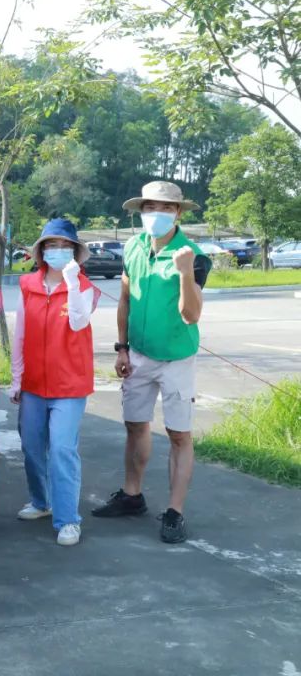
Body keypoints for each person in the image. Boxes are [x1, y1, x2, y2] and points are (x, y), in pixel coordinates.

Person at [93, 181, 210, 544]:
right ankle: (132, 495)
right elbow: (126, 299)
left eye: (165, 208)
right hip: (139, 354)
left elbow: (191, 315)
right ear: (141, 211)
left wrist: (185, 272)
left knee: (179, 435)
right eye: (149, 207)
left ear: (178, 213)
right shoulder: (133, 246)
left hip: (177, 357)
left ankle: (175, 512)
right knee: (135, 425)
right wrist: (122, 348)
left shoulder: (193, 255)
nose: (156, 214)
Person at [10, 219, 98, 547]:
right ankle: (41, 501)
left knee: (61, 449)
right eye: (51, 245)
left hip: (69, 385)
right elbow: (20, 335)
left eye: (65, 246)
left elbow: (78, 322)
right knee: (32, 447)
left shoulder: (85, 288)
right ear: (41, 251)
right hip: (33, 383)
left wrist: (72, 282)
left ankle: (68, 519)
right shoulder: (27, 285)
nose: (57, 251)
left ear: (74, 252)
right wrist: (17, 378)